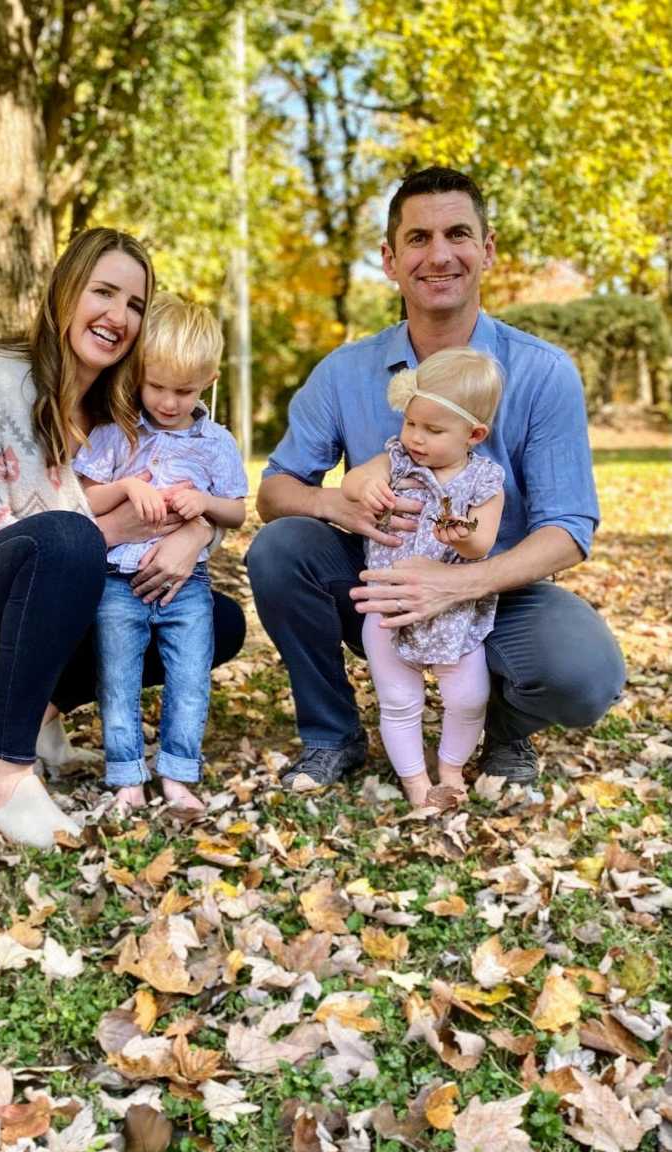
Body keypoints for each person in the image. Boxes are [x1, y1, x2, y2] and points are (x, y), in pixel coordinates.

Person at [247, 165, 625, 790]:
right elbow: (275, 492)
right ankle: (333, 738)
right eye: (418, 239)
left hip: (501, 588)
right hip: (383, 586)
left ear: (488, 249)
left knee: (585, 674)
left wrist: (459, 584)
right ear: (390, 260)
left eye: (458, 233)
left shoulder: (543, 373)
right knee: (282, 549)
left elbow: (569, 528)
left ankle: (504, 735)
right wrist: (338, 504)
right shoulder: (345, 372)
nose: (439, 254)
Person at [0, 230, 245, 849]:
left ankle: (42, 711)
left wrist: (197, 532)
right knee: (70, 542)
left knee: (219, 621)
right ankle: (5, 774)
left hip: (62, 587)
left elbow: (184, 495)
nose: (118, 316)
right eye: (103, 292)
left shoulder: (119, 407)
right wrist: (111, 527)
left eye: (135, 304)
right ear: (64, 292)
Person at [73, 293, 248, 813]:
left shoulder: (216, 443)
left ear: (208, 382)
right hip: (117, 581)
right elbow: (81, 498)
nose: (169, 402)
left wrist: (205, 504)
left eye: (184, 391)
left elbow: (237, 512)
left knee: (190, 677)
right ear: (138, 374)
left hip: (186, 587)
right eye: (156, 387)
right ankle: (127, 773)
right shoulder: (115, 434)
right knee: (119, 676)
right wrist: (126, 487)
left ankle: (178, 772)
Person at [342, 348, 504, 805]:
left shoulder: (484, 481)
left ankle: (450, 769)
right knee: (398, 699)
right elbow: (353, 482)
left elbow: (483, 542)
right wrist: (365, 486)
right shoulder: (397, 461)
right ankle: (416, 782)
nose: (416, 437)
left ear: (474, 434)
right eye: (411, 423)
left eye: (433, 430)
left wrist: (461, 536)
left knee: (469, 696)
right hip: (388, 604)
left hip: (453, 607)